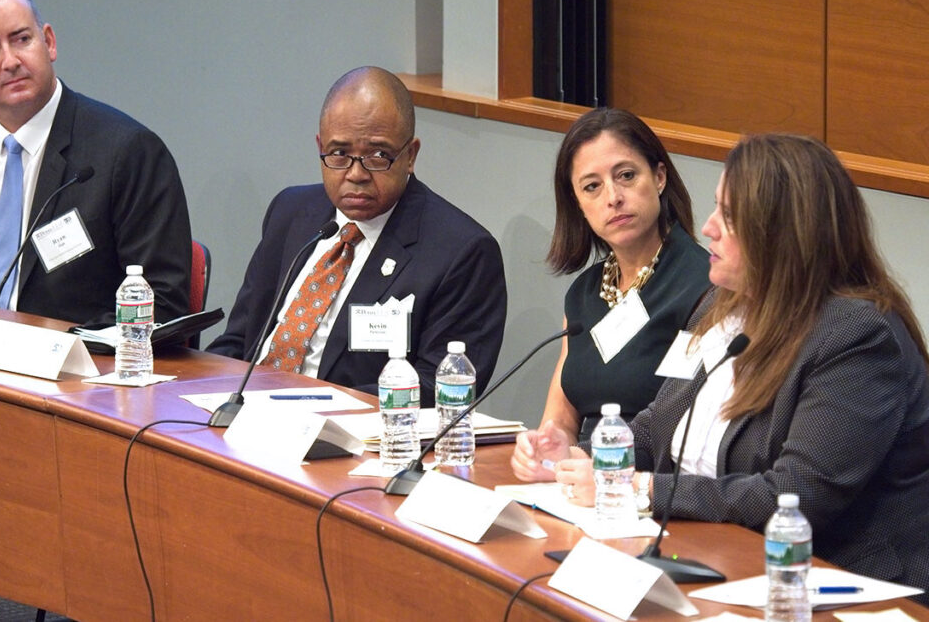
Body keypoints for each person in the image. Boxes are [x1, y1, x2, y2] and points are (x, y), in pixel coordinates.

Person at [546, 134, 929, 599]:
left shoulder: (857, 338)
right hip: (717, 555)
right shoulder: (720, 303)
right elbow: (657, 426)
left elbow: (793, 496)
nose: (708, 227)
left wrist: (641, 489)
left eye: (729, 217)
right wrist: (587, 460)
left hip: (839, 584)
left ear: (784, 232)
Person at [208, 67, 506, 406]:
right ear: (320, 147)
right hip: (245, 418)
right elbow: (239, 340)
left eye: (378, 156)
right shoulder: (291, 212)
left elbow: (438, 390)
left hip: (352, 438)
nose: (356, 174)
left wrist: (305, 409)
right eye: (339, 154)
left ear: (410, 156)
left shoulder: (461, 251)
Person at [0, 0, 191, 324]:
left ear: (49, 42)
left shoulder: (127, 152)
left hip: (69, 362)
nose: (10, 61)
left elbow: (163, 299)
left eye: (21, 39)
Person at [511, 108, 710, 482]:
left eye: (626, 176)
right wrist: (544, 448)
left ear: (660, 177)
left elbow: (676, 425)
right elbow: (562, 420)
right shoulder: (584, 293)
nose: (613, 197)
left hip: (655, 487)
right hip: (584, 480)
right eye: (592, 186)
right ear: (578, 205)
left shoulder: (702, 286)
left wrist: (591, 463)